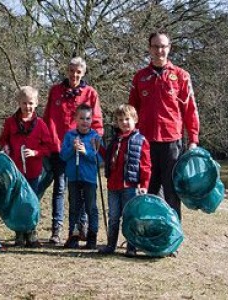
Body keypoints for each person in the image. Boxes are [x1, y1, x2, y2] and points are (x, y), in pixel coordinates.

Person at [129, 30, 199, 220]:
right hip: (145, 142)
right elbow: (131, 111)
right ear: (149, 49)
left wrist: (193, 139)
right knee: (147, 191)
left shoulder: (182, 76)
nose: (159, 50)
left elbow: (190, 109)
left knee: (171, 193)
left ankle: (171, 237)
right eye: (155, 46)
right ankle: (148, 235)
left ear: (169, 48)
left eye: (163, 46)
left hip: (172, 142)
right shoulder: (139, 77)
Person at [43, 56, 103, 244]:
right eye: (71, 70)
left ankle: (82, 229)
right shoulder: (56, 91)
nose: (74, 74)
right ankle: (57, 229)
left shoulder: (90, 93)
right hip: (60, 147)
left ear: (83, 72)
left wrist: (94, 142)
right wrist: (49, 142)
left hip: (84, 148)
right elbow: (47, 118)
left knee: (83, 190)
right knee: (61, 189)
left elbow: (97, 121)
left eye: (78, 71)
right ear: (67, 70)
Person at [0, 86, 52, 247]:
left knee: (31, 202)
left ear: (36, 103)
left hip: (34, 172)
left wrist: (36, 153)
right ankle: (19, 233)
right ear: (18, 103)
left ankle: (31, 233)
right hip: (16, 172)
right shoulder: (10, 122)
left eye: (31, 103)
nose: (27, 107)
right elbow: (3, 139)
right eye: (24, 103)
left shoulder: (41, 124)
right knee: (16, 202)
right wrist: (5, 147)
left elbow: (49, 147)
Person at [98, 104, 151, 257]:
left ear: (135, 120)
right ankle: (110, 245)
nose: (124, 123)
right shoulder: (114, 140)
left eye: (127, 119)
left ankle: (131, 247)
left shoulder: (141, 141)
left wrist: (144, 184)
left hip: (130, 185)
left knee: (130, 216)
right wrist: (99, 148)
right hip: (113, 185)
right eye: (120, 120)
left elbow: (146, 165)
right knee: (113, 216)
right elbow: (107, 158)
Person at [59, 104, 101, 249]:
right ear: (76, 119)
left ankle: (92, 237)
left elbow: (99, 160)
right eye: (81, 118)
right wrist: (73, 148)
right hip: (73, 178)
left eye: (88, 118)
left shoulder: (95, 137)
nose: (85, 121)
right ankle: (74, 236)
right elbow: (63, 156)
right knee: (74, 208)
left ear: (92, 120)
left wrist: (86, 152)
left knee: (91, 208)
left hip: (89, 179)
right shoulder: (70, 136)